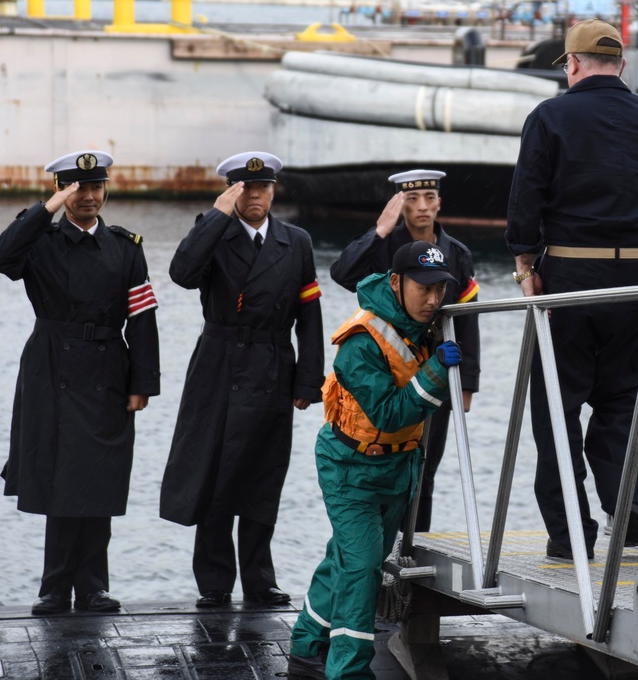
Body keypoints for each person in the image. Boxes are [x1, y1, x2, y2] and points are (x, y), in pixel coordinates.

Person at [504, 19, 638, 560]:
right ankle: (627, 506)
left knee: (556, 407)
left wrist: (524, 263)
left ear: (571, 64)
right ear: (622, 66)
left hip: (573, 282)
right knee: (623, 402)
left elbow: (526, 196)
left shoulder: (550, 116)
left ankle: (570, 536)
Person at [0, 150, 161, 615]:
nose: (89, 196)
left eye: (96, 187)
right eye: (78, 188)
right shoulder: (41, 240)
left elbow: (142, 319)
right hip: (51, 369)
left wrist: (142, 383)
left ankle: (94, 587)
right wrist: (45, 209)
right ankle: (54, 587)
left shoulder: (126, 247)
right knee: (60, 478)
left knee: (99, 479)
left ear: (106, 190)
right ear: (62, 192)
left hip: (107, 372)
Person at [288, 240, 461, 680]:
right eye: (424, 288)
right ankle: (347, 670)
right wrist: (437, 371)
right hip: (351, 468)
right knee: (363, 567)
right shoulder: (360, 341)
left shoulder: (426, 324)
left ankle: (307, 641)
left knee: (349, 557)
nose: (433, 299)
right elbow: (388, 413)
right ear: (397, 283)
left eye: (440, 289)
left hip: (398, 469)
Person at [159, 151, 324, 609]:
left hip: (273, 364)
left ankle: (259, 577)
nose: (256, 196)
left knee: (263, 475)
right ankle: (214, 580)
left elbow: (309, 315)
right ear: (232, 192)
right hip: (219, 364)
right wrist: (215, 215)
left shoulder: (297, 241)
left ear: (273, 190)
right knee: (214, 474)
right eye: (246, 189)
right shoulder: (212, 232)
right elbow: (181, 274)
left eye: (263, 187)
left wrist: (309, 381)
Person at [329, 169, 480, 532]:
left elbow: (468, 323)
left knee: (425, 467)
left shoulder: (457, 254)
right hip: (390, 371)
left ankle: (415, 546)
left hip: (438, 369)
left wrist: (467, 383)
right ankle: (380, 548)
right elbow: (342, 274)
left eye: (429, 198)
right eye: (412, 199)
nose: (422, 207)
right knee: (384, 462)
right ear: (399, 204)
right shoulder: (383, 246)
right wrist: (379, 230)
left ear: (440, 202)